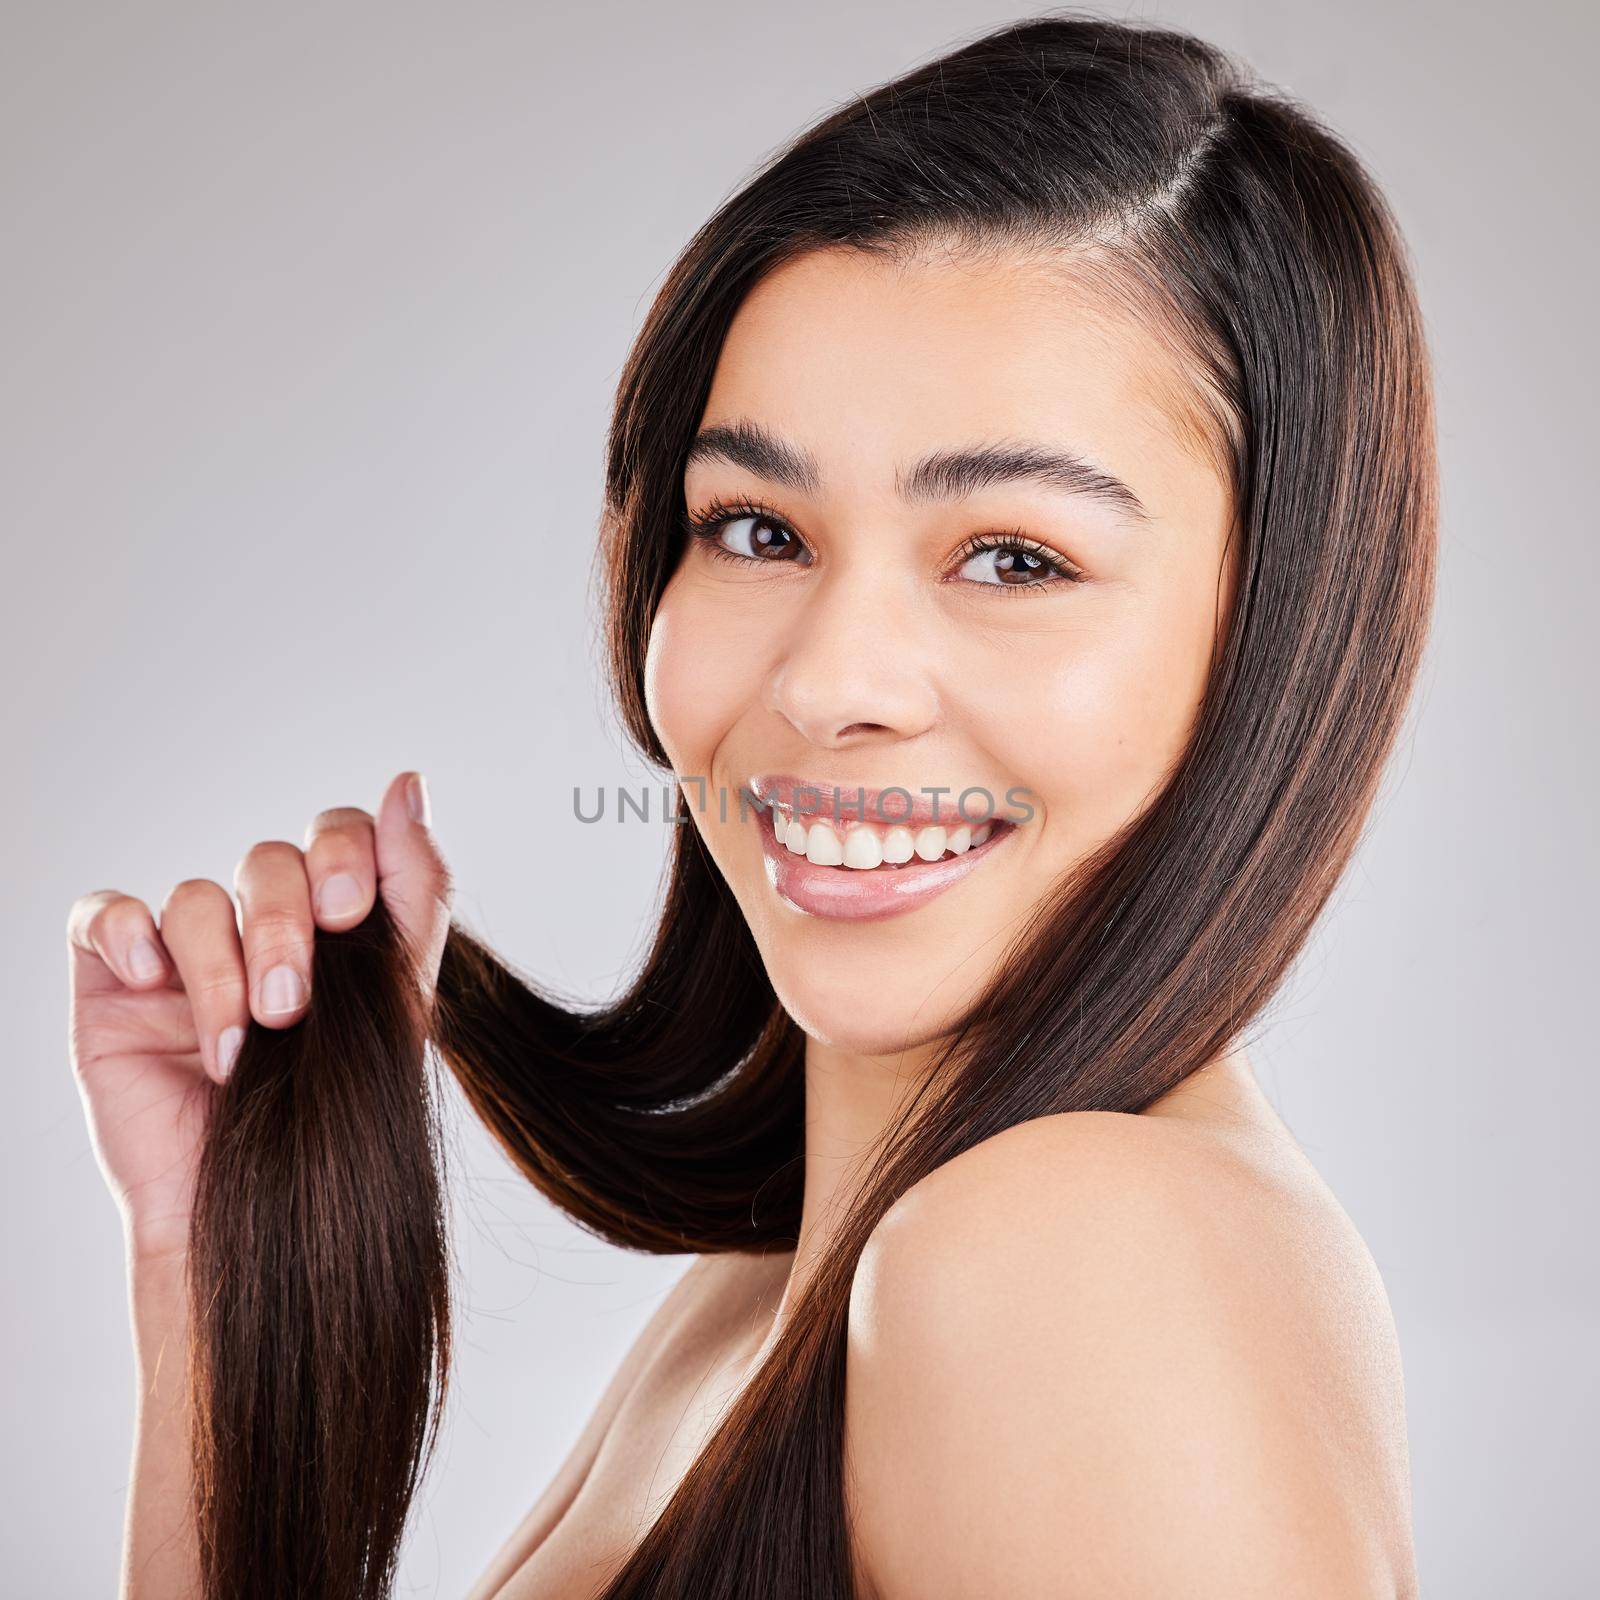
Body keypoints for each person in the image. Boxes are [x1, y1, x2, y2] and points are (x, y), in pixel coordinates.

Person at [66, 13, 1436, 1599]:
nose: (831, 680)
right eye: (758, 531)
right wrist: (215, 1287)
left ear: (1275, 635)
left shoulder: (1072, 1259)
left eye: (1013, 557)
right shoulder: (778, 1281)